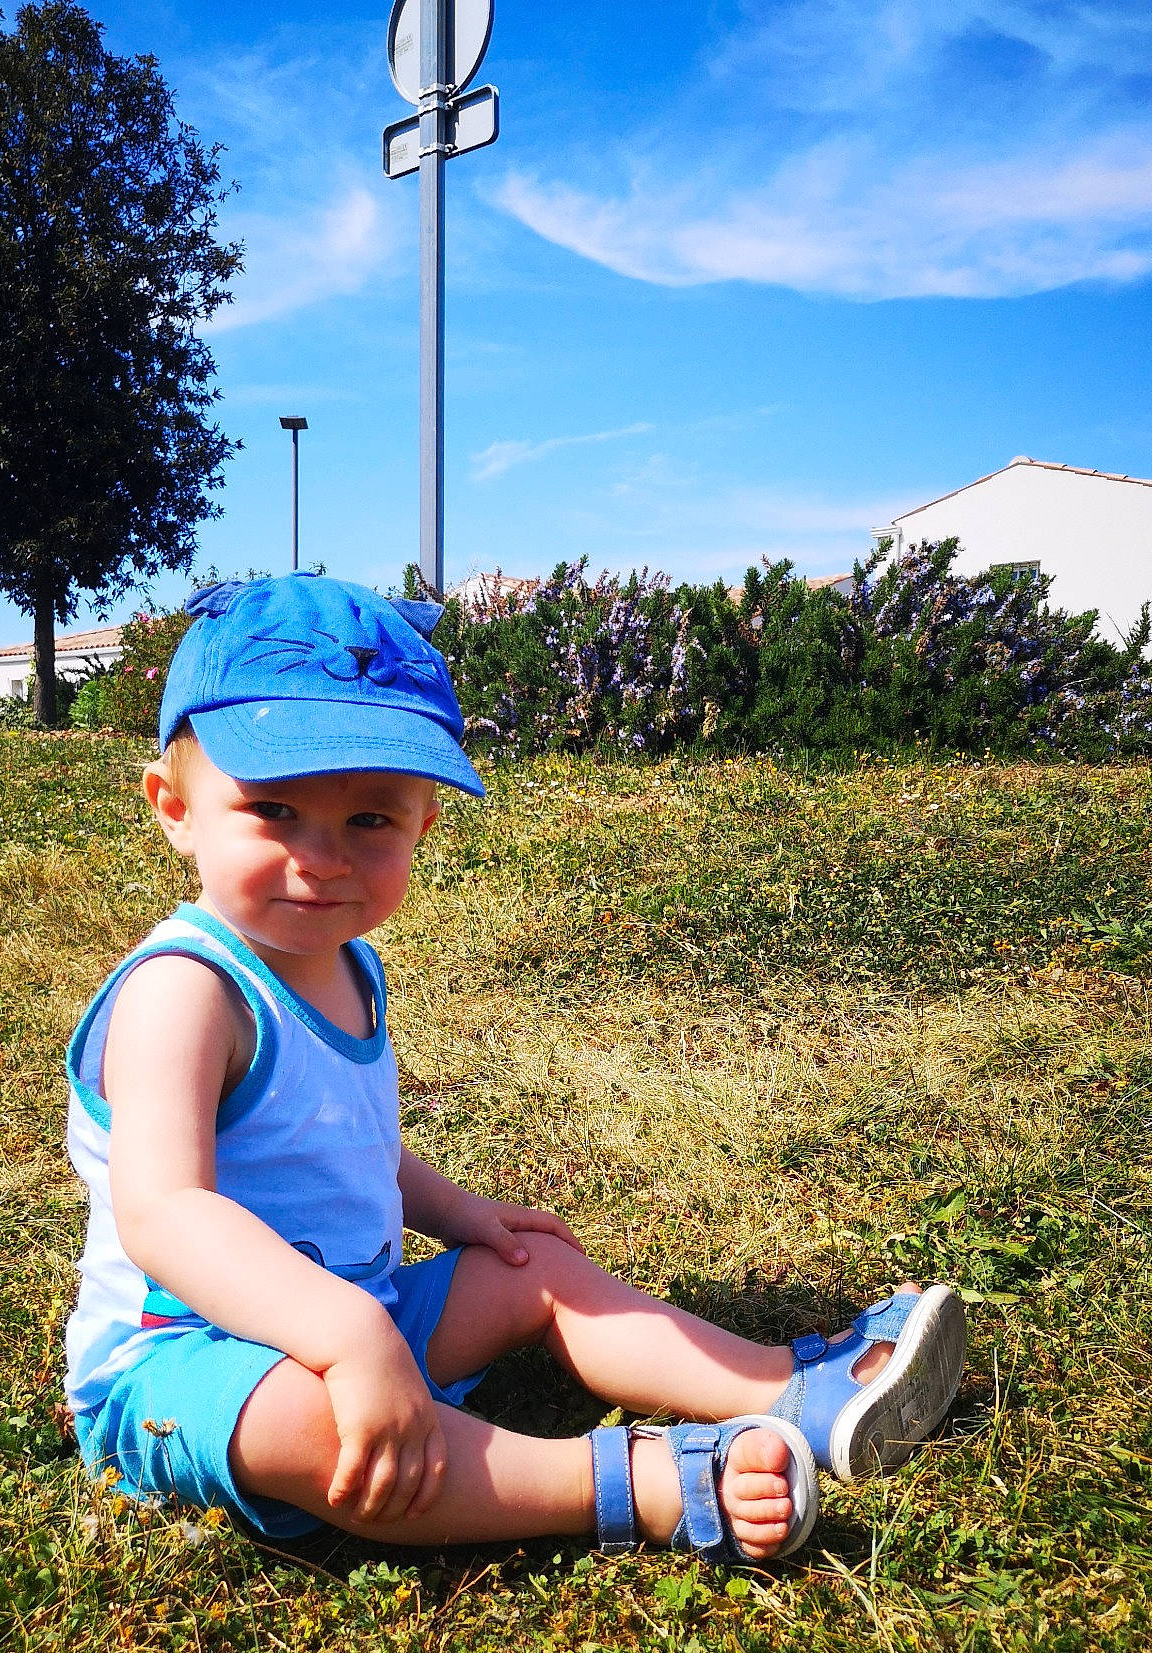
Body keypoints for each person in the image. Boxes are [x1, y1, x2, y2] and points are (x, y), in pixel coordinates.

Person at [63, 575, 967, 1567]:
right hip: (188, 1366)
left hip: (364, 1315)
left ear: (422, 825)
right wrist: (345, 1334)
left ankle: (795, 1390)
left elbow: (350, 1144)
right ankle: (645, 1480)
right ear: (174, 807)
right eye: (274, 809)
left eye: (371, 819)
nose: (322, 859)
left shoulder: (345, 965)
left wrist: (462, 1220)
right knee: (321, 1431)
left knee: (535, 1272)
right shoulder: (184, 990)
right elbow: (166, 1210)